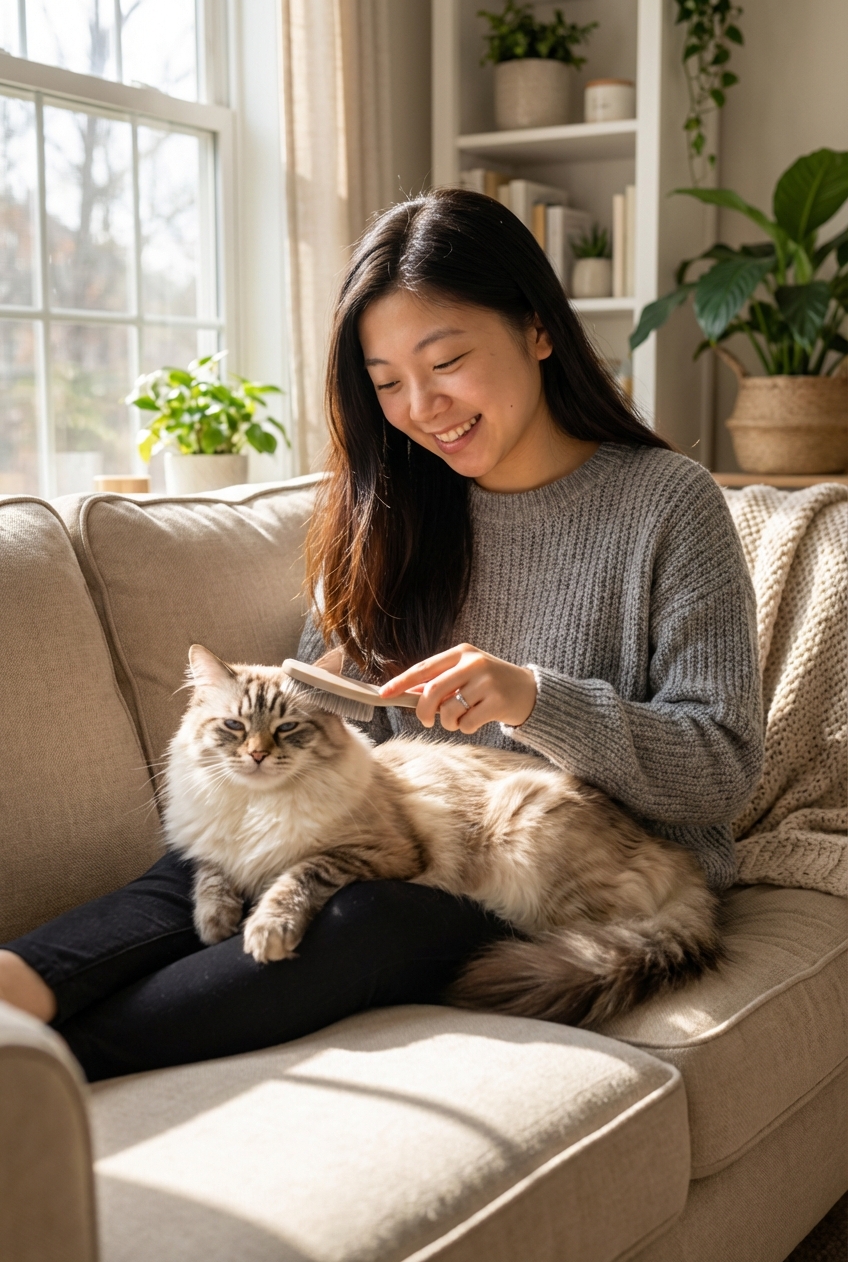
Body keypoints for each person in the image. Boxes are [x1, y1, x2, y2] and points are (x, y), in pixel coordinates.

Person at [0, 189, 763, 1080]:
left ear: (538, 330)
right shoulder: (396, 507)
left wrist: (533, 699)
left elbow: (720, 769)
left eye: (446, 362)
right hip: (402, 820)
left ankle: (46, 1077)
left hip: (568, 870)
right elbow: (326, 713)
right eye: (388, 382)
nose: (422, 408)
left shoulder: (668, 504)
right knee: (198, 869)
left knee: (355, 923)